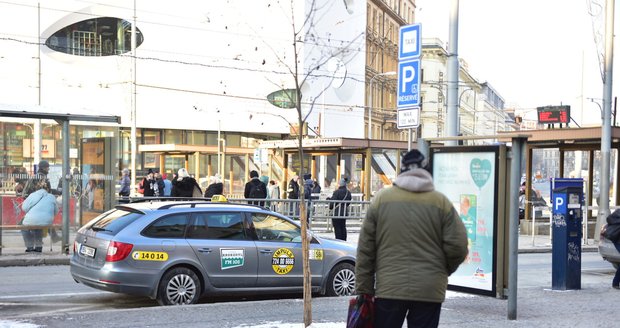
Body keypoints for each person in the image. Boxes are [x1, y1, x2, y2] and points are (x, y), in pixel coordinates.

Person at [355, 149, 468, 328]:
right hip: (429, 289)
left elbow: (365, 249)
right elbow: (459, 246)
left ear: (402, 171)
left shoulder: (381, 200)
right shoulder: (441, 202)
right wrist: (443, 270)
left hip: (389, 289)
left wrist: (364, 288)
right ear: (426, 171)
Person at [20, 181, 59, 253]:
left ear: (36, 188)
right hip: (47, 221)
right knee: (38, 227)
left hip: (31, 220)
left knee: (24, 228)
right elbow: (56, 211)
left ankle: (30, 247)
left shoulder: (32, 195)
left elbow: (24, 208)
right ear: (48, 189)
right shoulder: (52, 197)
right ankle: (38, 247)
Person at [328, 176, 351, 241]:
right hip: (344, 212)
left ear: (340, 184)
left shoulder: (337, 192)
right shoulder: (348, 192)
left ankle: (338, 240)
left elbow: (332, 202)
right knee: (343, 226)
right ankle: (344, 240)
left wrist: (329, 204)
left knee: (337, 227)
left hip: (336, 212)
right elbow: (348, 202)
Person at [605, 209, 620, 289]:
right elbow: (609, 219)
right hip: (618, 240)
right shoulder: (618, 213)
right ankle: (616, 282)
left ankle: (616, 282)